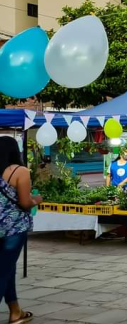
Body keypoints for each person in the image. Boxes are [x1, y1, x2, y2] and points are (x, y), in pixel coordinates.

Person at [1, 136, 41, 324]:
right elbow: (25, 203)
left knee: (7, 269)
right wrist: (37, 200)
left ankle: (15, 311)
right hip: (14, 228)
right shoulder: (20, 171)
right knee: (3, 272)